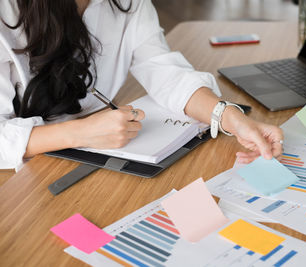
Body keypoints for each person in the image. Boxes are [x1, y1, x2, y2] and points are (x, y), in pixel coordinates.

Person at [0, 0, 283, 171]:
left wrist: (230, 117)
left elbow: (163, 71)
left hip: (99, 154)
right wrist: (79, 133)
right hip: (24, 172)